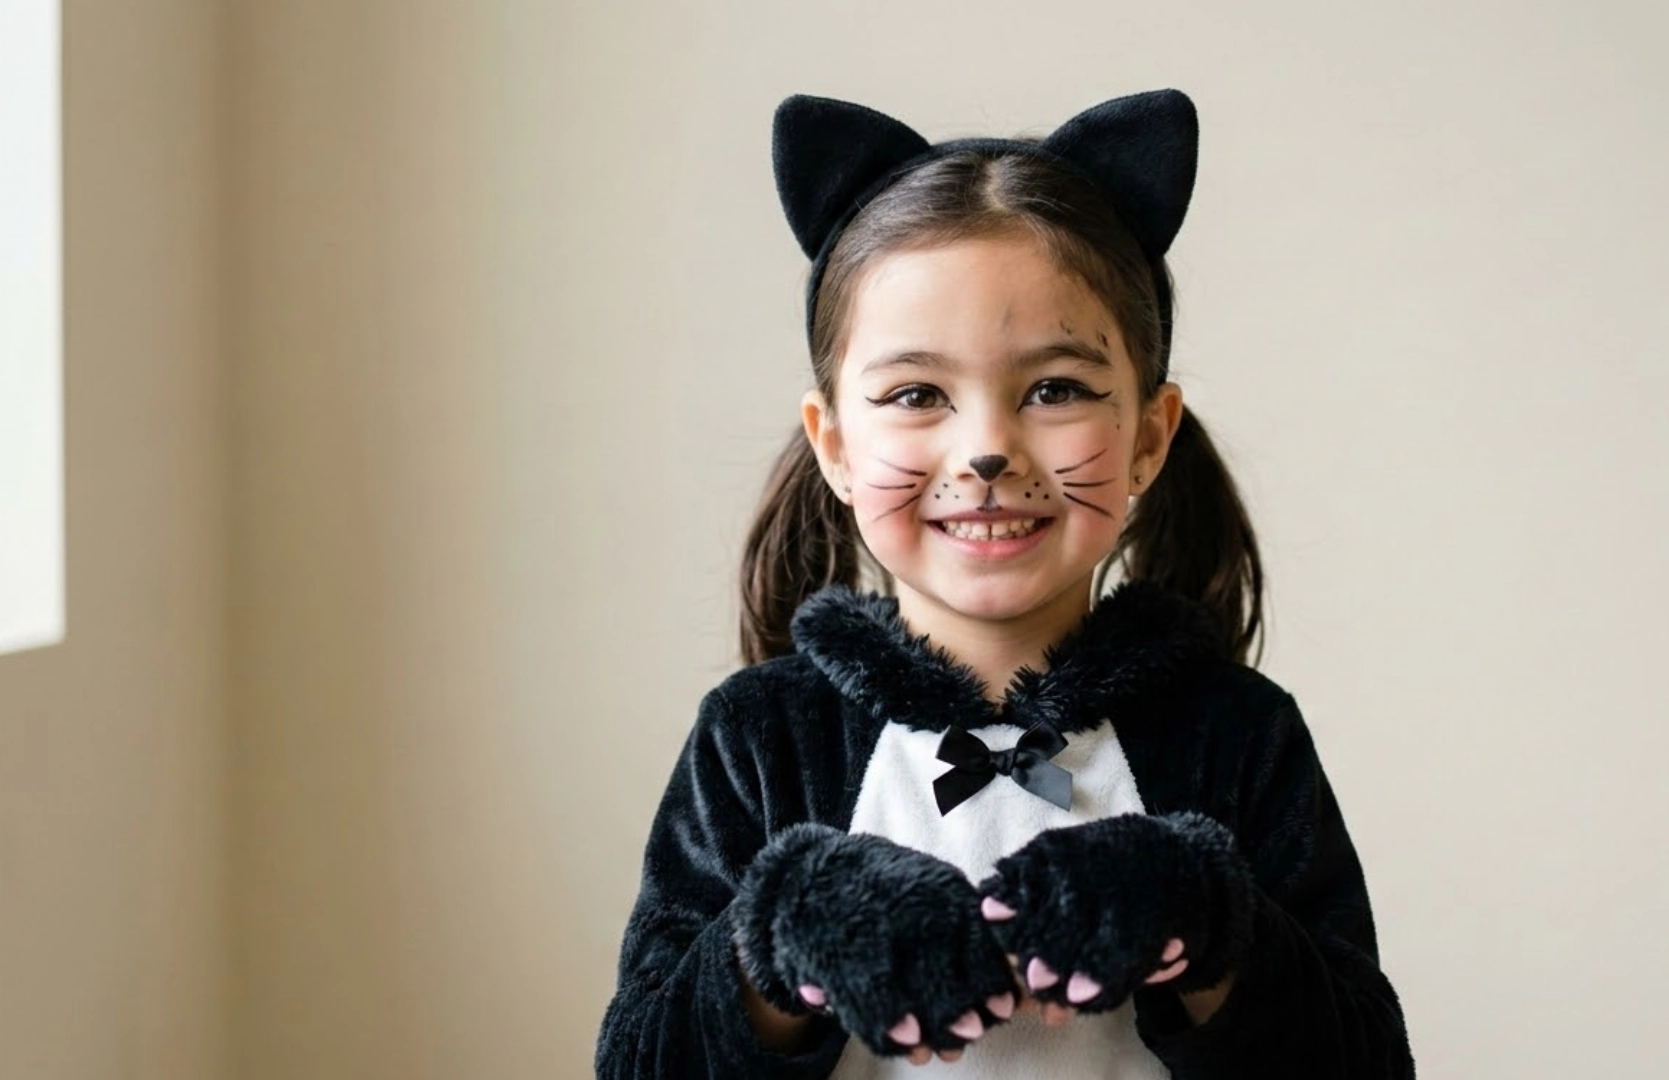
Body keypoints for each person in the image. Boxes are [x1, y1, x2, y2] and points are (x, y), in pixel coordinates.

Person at [594, 89, 1414, 1079]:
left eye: (1056, 389)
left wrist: (1199, 912)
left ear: (1149, 437)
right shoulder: (761, 740)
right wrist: (783, 935)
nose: (985, 448)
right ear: (837, 445)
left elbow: (1360, 1063)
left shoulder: (1237, 736)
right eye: (916, 394)